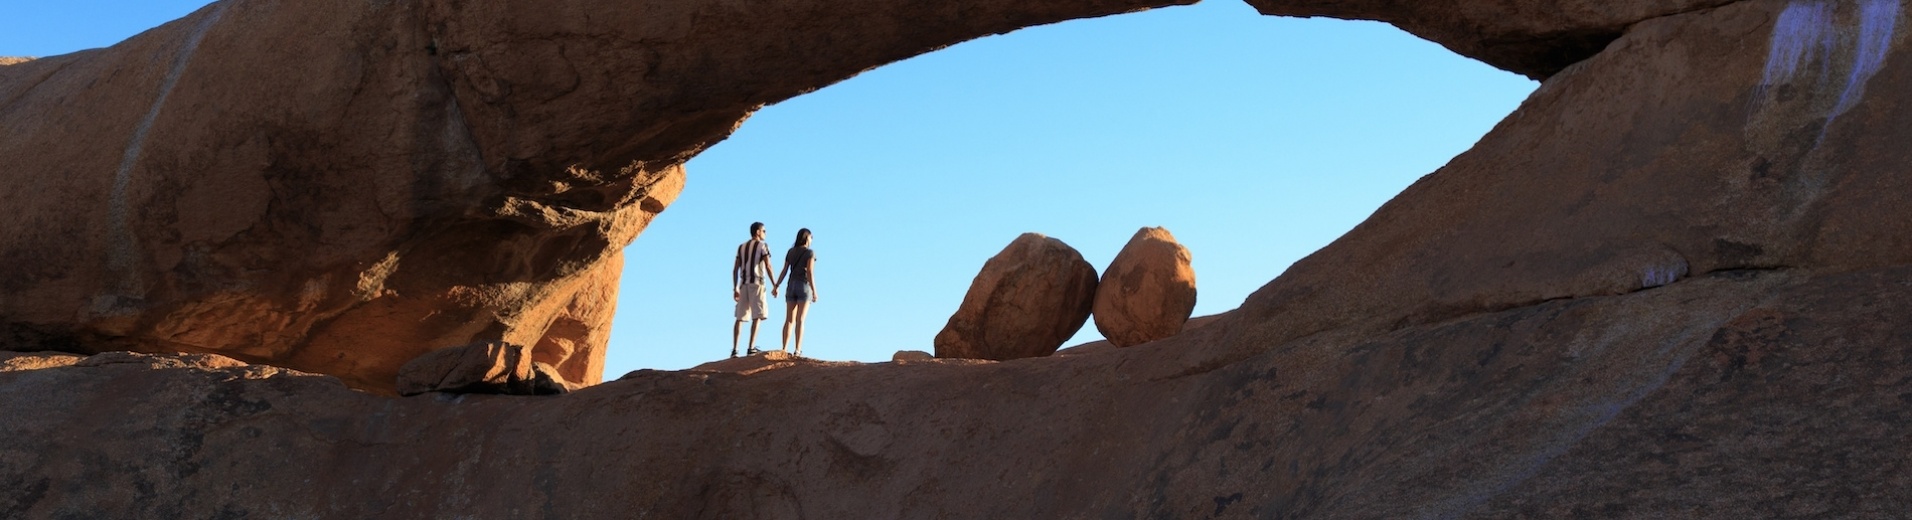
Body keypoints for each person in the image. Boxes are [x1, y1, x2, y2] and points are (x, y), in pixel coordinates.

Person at [731, 222, 776, 357]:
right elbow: (768, 265)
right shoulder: (763, 246)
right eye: (764, 231)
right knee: (757, 315)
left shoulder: (742, 247)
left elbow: (735, 269)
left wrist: (735, 287)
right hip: (757, 283)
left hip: (743, 284)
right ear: (757, 232)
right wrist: (775, 284)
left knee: (740, 317)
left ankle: (735, 349)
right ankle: (751, 347)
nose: (765, 233)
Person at [772, 228, 819, 356]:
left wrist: (777, 285)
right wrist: (814, 291)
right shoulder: (810, 253)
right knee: (800, 320)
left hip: (791, 285)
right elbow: (810, 272)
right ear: (807, 238)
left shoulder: (791, 252)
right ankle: (798, 350)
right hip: (804, 285)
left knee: (789, 319)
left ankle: (784, 348)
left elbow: (785, 270)